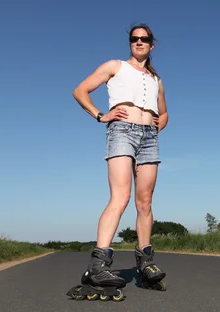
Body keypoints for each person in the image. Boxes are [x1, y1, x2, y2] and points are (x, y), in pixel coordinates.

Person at [71, 23, 169, 293]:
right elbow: (80, 91)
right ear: (130, 43)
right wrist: (101, 115)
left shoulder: (156, 79)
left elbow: (165, 112)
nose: (139, 42)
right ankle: (98, 264)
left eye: (144, 38)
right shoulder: (115, 66)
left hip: (149, 136)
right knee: (121, 196)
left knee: (145, 201)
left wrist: (158, 124)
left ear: (152, 44)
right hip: (122, 132)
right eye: (134, 38)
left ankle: (145, 262)